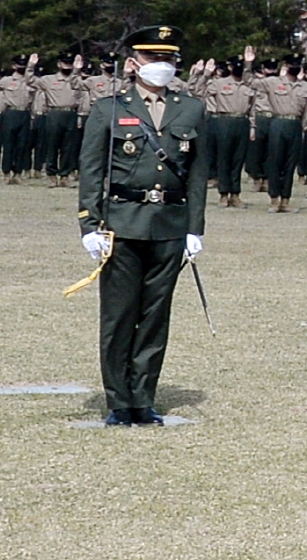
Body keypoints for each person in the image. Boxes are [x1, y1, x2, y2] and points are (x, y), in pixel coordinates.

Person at [75, 22, 211, 426]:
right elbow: (91, 171)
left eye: (169, 58)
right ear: (133, 64)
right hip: (121, 224)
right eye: (154, 58)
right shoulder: (109, 109)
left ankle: (143, 397)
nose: (163, 65)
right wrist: (89, 225)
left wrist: (194, 228)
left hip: (169, 224)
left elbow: (198, 173)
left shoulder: (191, 109)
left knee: (155, 316)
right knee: (119, 316)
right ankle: (119, 400)